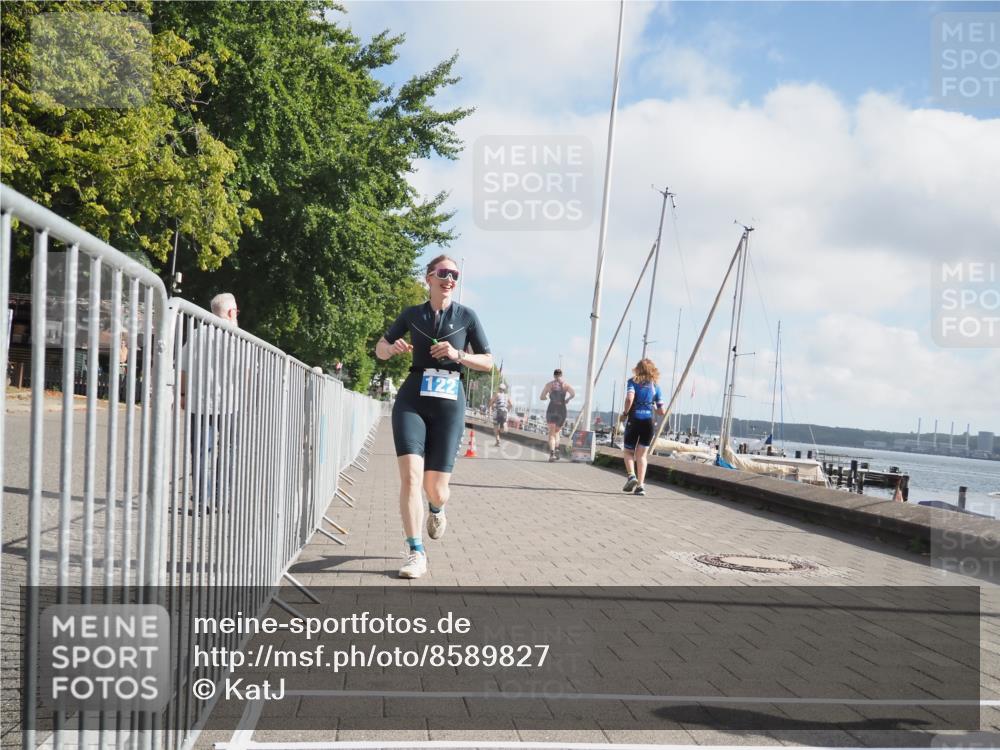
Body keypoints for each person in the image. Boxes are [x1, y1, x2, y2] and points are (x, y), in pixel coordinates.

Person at [376, 255, 493, 579]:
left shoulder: (467, 316)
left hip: (449, 402)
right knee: (411, 478)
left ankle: (437, 509)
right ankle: (416, 551)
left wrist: (459, 355)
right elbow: (380, 349)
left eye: (455, 274)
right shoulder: (412, 314)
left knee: (435, 489)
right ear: (429, 277)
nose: (450, 278)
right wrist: (391, 348)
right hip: (413, 397)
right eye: (444, 273)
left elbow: (488, 362)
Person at [180, 293, 239, 511]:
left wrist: (184, 395)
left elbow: (183, 368)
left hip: (199, 401)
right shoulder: (237, 336)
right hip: (230, 403)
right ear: (231, 312)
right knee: (230, 448)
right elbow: (248, 371)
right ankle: (222, 497)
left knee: (201, 450)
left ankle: (202, 500)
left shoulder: (196, 334)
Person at [620, 358, 666, 496]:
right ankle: (640, 486)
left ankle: (632, 476)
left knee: (628, 452)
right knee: (642, 456)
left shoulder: (633, 382)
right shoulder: (655, 386)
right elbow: (661, 411)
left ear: (638, 369)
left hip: (634, 420)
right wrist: (651, 407)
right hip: (648, 423)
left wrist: (625, 413)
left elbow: (629, 399)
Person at [539, 369, 575, 462]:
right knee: (557, 432)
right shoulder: (565, 385)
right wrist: (568, 399)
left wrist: (546, 397)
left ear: (554, 375)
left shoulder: (549, 385)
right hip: (561, 410)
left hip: (552, 409)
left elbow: (542, 397)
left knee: (551, 433)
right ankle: (557, 449)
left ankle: (552, 454)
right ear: (561, 375)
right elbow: (573, 393)